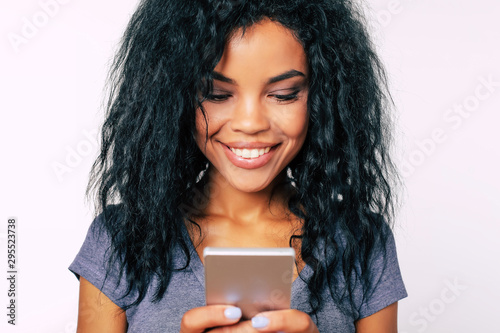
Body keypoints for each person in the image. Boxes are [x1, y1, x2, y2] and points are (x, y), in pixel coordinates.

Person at [69, 0, 407, 332]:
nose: (250, 123)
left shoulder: (361, 242)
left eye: (285, 94)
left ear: (322, 99)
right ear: (173, 99)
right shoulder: (120, 241)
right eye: (216, 94)